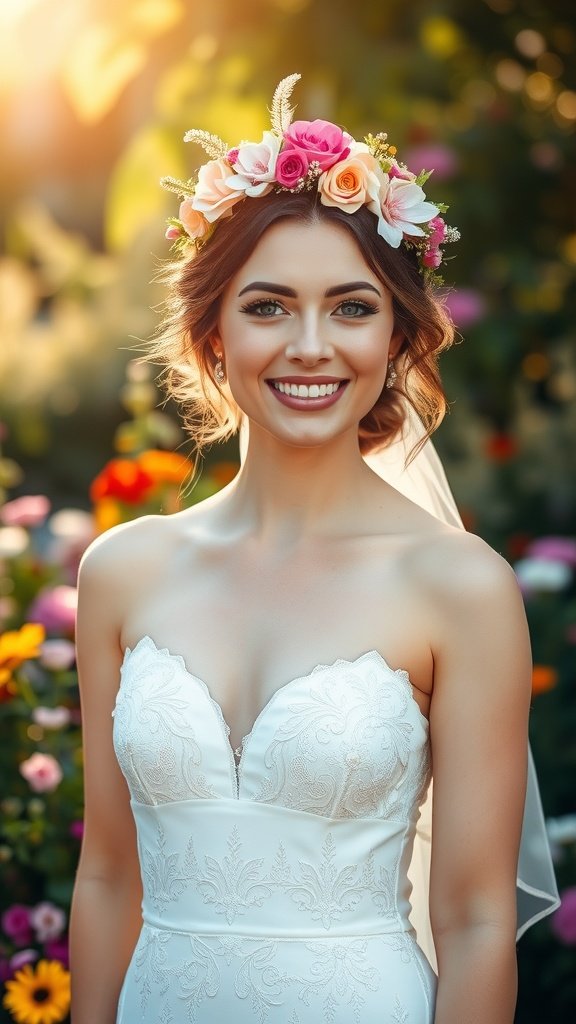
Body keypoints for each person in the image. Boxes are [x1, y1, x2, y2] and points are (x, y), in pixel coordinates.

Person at [69, 75, 558, 1024]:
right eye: (267, 307)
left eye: (350, 307)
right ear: (212, 333)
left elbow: (473, 921)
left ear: (395, 337)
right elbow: (106, 875)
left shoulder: (460, 586)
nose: (309, 346)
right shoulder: (121, 573)